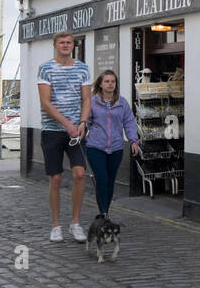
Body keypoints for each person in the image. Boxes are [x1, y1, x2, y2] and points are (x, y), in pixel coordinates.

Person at [38, 32, 92, 241]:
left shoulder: (82, 68)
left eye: (69, 42)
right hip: (52, 130)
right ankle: (55, 225)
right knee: (56, 179)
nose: (65, 45)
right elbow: (46, 102)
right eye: (61, 42)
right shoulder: (46, 68)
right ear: (55, 45)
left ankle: (75, 223)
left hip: (77, 131)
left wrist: (82, 123)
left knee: (79, 174)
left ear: (73, 45)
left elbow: (86, 99)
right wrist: (67, 123)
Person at [84, 70, 140, 220]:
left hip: (116, 148)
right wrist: (79, 132)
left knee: (110, 182)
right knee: (101, 179)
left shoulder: (122, 103)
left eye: (113, 81)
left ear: (116, 84)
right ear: (101, 84)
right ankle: (103, 213)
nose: (110, 84)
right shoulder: (93, 102)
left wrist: (133, 140)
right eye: (107, 81)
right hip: (96, 147)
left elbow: (129, 122)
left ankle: (105, 212)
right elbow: (85, 122)